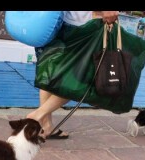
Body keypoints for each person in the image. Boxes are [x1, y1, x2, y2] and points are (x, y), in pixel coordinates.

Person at [27, 11, 119, 139]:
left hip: (49, 22)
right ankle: (36, 116)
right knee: (80, 80)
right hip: (77, 26)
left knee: (50, 75)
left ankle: (46, 125)